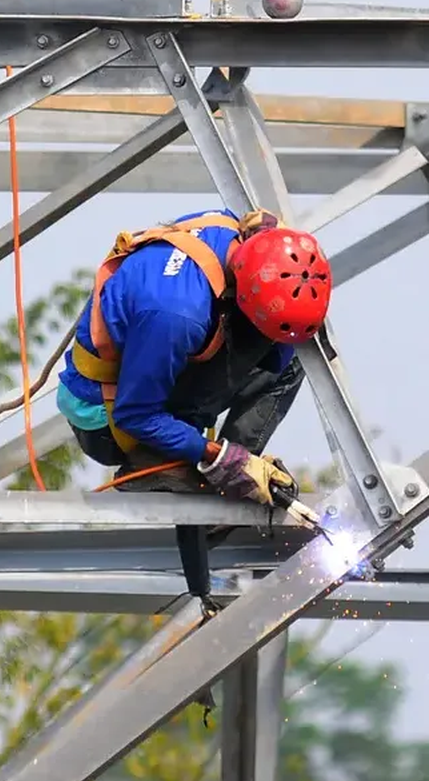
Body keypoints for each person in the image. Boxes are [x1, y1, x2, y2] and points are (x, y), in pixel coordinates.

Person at [57, 206, 332, 603]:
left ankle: (225, 471)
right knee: (266, 356)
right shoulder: (175, 316)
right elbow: (135, 414)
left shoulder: (232, 230)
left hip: (150, 369)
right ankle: (193, 468)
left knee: (289, 359)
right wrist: (221, 458)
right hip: (106, 420)